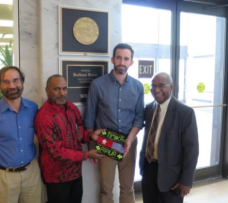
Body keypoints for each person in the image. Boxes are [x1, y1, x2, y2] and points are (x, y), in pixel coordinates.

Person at [84, 43, 144, 203]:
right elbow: (89, 117)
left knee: (127, 187)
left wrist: (130, 139)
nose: (122, 62)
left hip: (128, 143)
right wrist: (90, 147)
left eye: (126, 59)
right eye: (119, 58)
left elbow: (139, 117)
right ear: (112, 59)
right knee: (106, 188)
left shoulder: (138, 87)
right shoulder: (98, 84)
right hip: (105, 141)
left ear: (131, 62)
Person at [0, 66, 43, 203]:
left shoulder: (33, 108)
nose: (12, 86)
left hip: (31, 174)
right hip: (3, 177)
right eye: (6, 82)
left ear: (22, 82)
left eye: (16, 80)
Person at [34, 74, 104, 203]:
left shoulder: (72, 108)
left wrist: (91, 136)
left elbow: (79, 133)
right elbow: (55, 152)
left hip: (76, 173)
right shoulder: (44, 117)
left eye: (65, 89)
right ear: (47, 91)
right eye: (57, 89)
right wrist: (87, 154)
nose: (62, 93)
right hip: (56, 177)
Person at [139, 72, 199, 203]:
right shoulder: (149, 109)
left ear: (171, 87)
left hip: (172, 176)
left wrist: (186, 180)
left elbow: (191, 149)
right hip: (149, 170)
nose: (156, 90)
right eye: (153, 86)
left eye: (161, 85)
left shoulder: (185, 113)